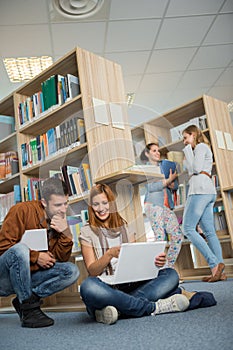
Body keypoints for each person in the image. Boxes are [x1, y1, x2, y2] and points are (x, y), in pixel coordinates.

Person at [79, 183, 196, 325]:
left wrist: (156, 263)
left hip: (131, 284)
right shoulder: (86, 231)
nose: (101, 208)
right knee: (88, 287)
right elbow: (92, 271)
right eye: (96, 204)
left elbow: (136, 264)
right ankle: (153, 307)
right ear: (91, 207)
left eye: (105, 203)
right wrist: (109, 254)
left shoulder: (126, 227)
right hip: (107, 286)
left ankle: (118, 308)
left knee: (171, 274)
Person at [0, 177, 79, 328]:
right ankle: (30, 311)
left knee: (72, 271)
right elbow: (2, 247)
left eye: (65, 203)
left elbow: (60, 259)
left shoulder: (60, 220)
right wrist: (36, 257)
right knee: (20, 249)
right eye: (57, 205)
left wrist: (66, 234)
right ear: (44, 202)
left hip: (28, 278)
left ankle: (25, 301)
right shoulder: (21, 210)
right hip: (4, 278)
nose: (63, 209)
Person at [182, 125, 226, 282]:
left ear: (193, 135)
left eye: (186, 137)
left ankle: (214, 264)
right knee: (209, 232)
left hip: (199, 189)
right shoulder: (201, 149)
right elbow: (191, 169)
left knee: (187, 228)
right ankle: (219, 271)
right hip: (208, 190)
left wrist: (188, 150)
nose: (184, 141)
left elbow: (195, 169)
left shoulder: (200, 147)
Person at [140, 143, 183, 268]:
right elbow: (151, 187)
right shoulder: (146, 168)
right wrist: (168, 180)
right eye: (154, 151)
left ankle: (167, 268)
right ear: (147, 154)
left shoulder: (164, 166)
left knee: (177, 236)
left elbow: (174, 186)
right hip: (153, 204)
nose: (157, 153)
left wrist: (171, 182)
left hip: (166, 206)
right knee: (160, 238)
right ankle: (158, 270)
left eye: (158, 150)